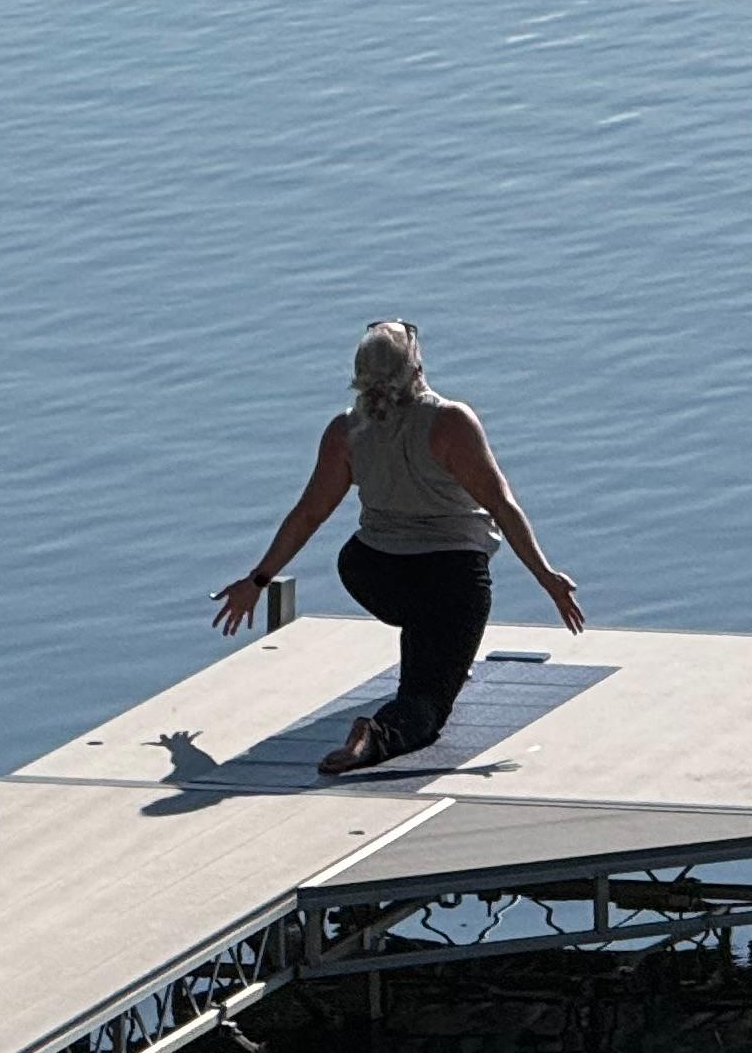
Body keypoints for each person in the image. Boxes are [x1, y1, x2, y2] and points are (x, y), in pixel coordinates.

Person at [211, 319, 586, 775]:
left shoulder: (344, 431)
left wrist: (258, 580)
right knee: (426, 707)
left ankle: (443, 651)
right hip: (451, 578)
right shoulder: (451, 423)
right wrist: (547, 578)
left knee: (427, 628)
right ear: (417, 367)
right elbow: (501, 506)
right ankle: (375, 734)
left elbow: (308, 514)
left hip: (371, 571)